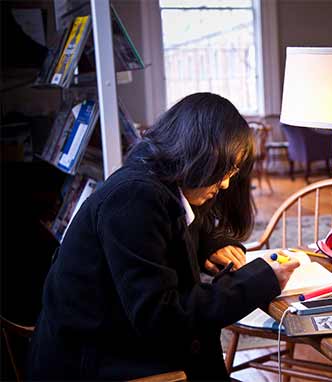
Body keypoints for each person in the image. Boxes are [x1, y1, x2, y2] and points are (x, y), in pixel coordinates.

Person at [27, 93, 300, 381]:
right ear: (197, 155)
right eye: (224, 170)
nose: (226, 183)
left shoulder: (157, 179)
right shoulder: (135, 198)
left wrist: (212, 245)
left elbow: (181, 226)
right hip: (94, 367)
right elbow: (161, 317)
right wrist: (258, 280)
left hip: (116, 350)